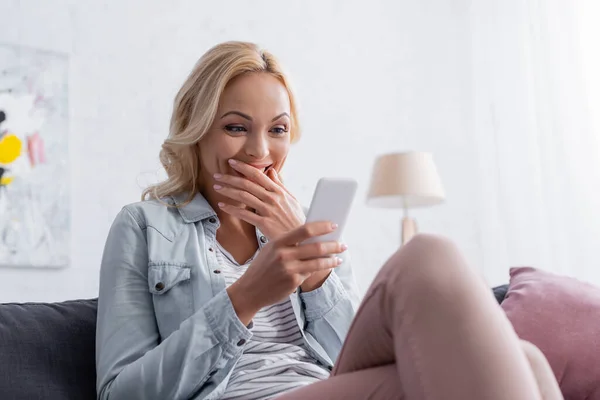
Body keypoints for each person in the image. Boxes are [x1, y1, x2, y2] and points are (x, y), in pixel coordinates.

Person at [95, 41, 563, 400]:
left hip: (325, 385)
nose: (259, 151)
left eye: (277, 130)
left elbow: (352, 360)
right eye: (236, 127)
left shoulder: (301, 221)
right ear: (196, 132)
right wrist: (244, 298)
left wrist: (315, 273)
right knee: (438, 267)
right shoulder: (144, 227)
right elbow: (119, 392)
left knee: (527, 360)